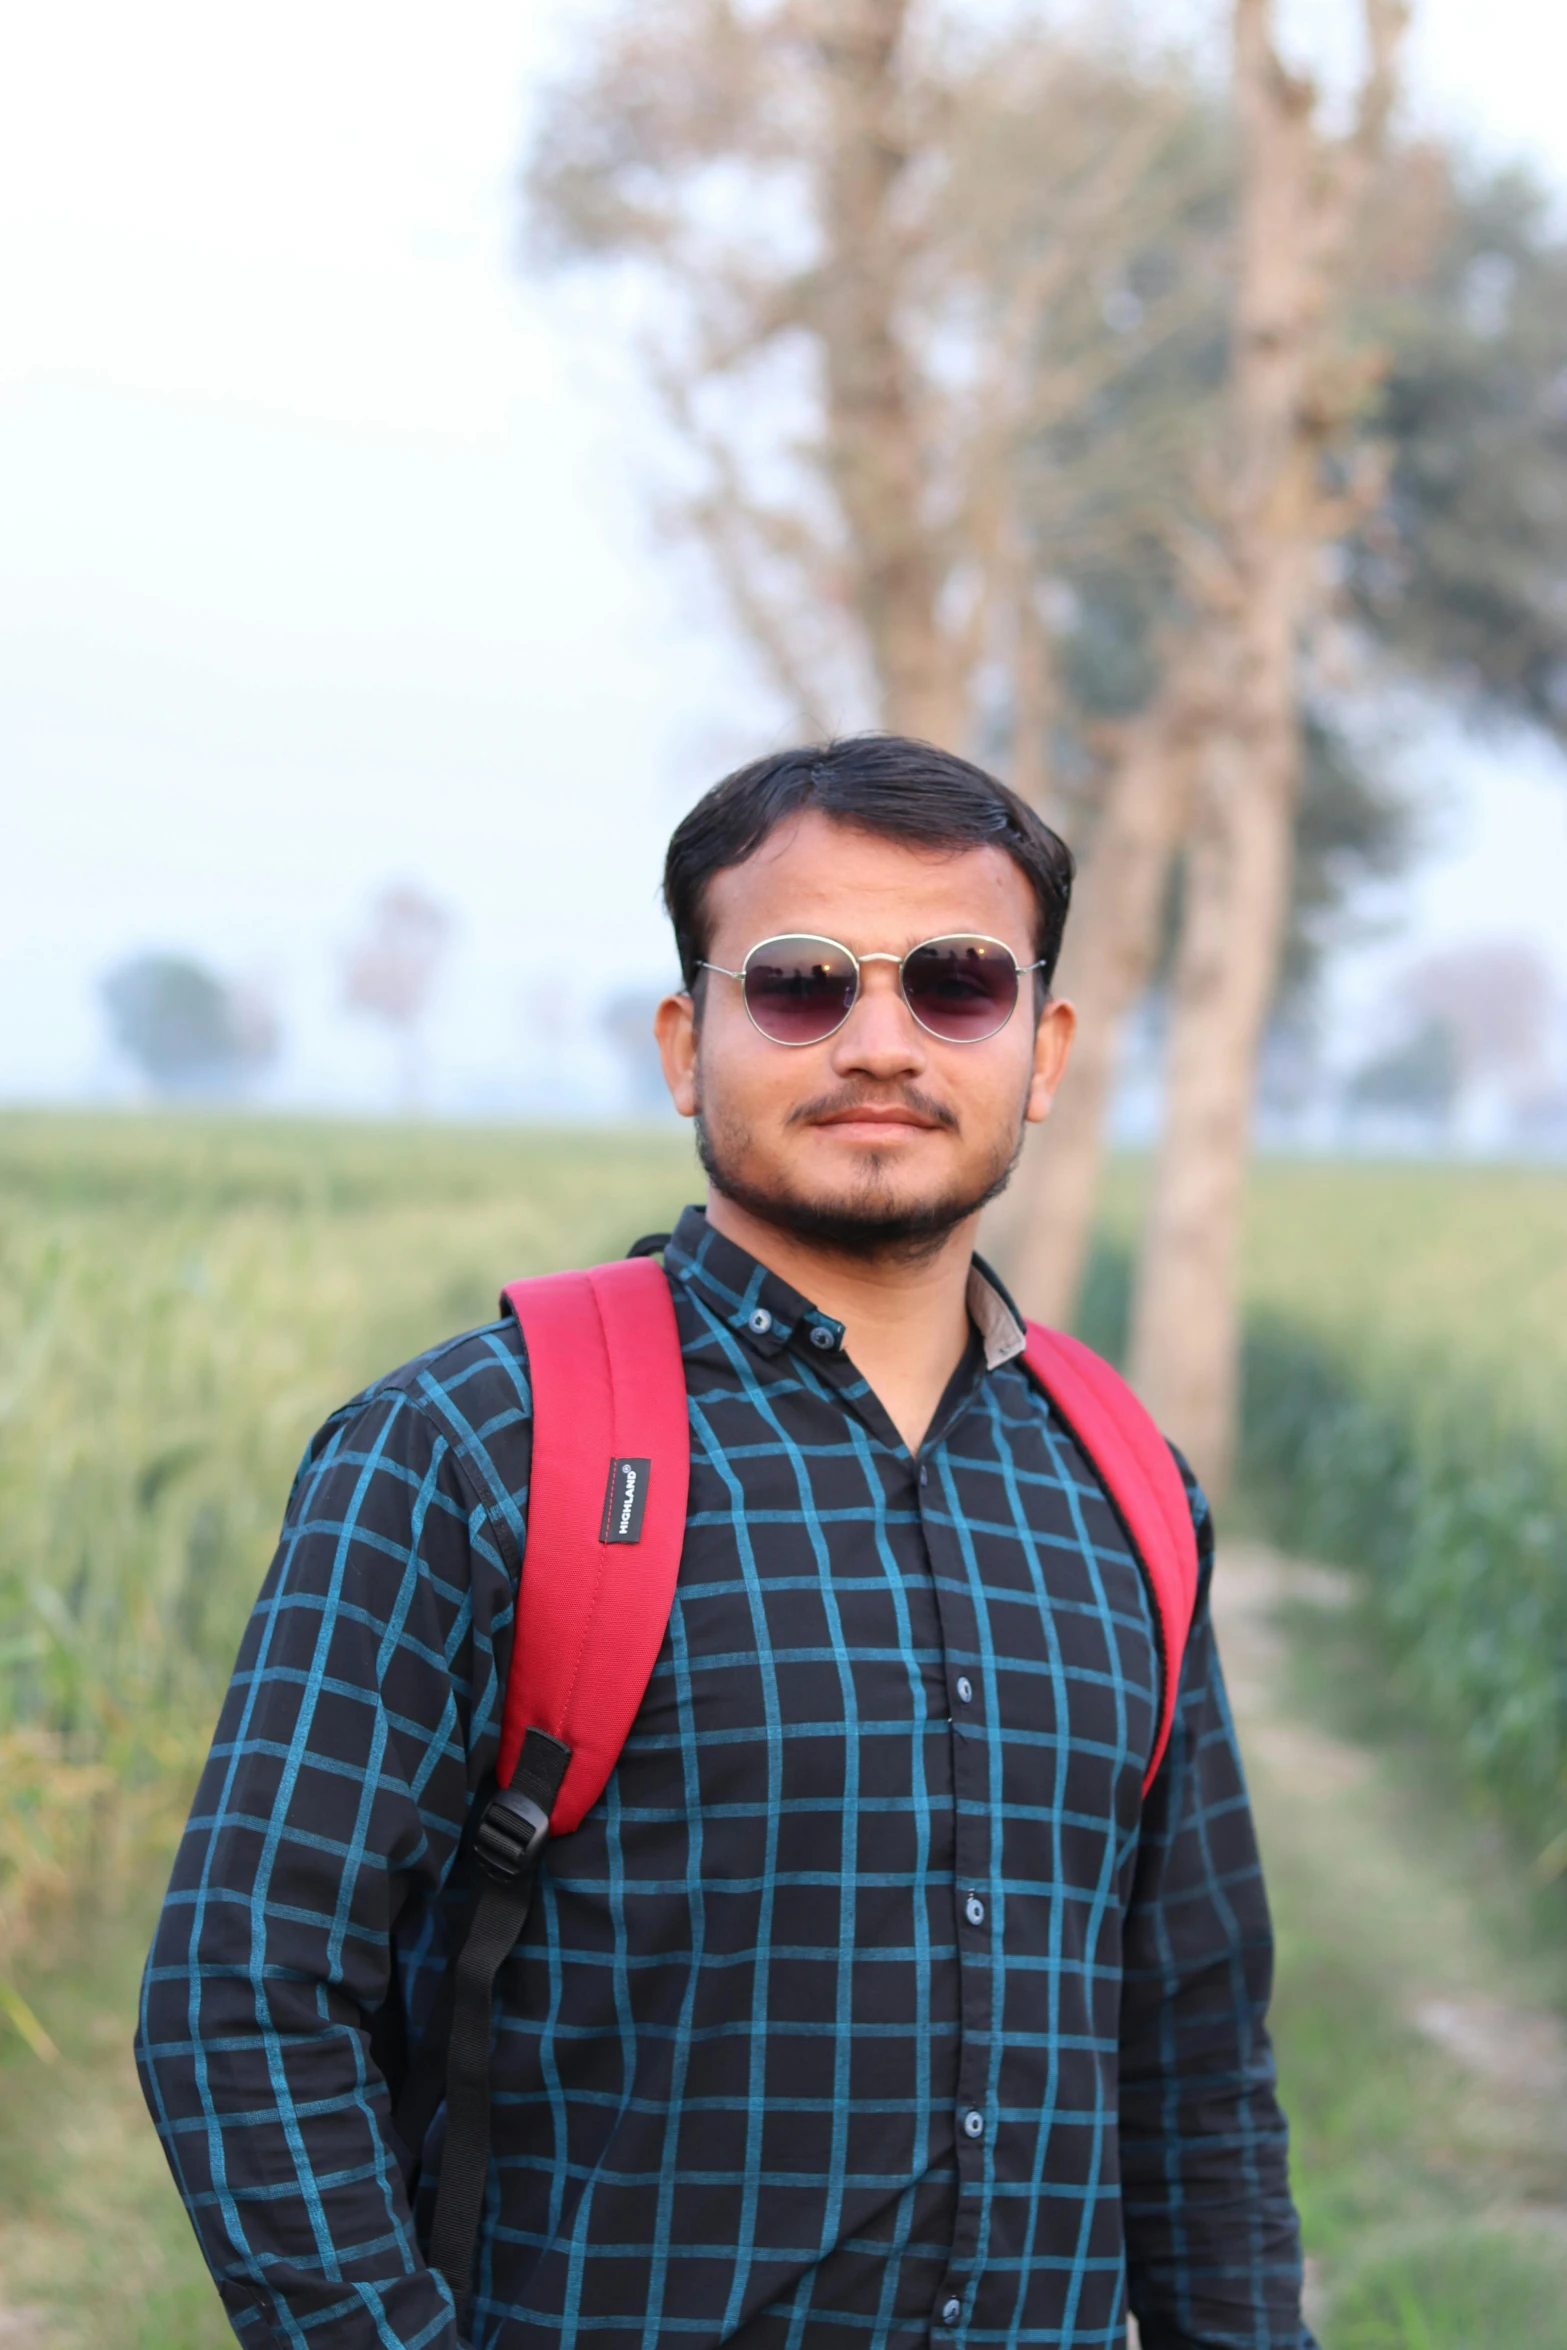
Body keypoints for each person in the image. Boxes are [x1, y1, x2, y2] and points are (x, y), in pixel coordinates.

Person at [137, 735, 1315, 2350]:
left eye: (955, 983)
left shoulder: (1122, 1483)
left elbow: (1193, 2055)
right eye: (800, 983)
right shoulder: (477, 1450)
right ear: (688, 1042)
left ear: (1039, 1053)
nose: (878, 1041)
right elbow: (241, 2002)